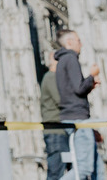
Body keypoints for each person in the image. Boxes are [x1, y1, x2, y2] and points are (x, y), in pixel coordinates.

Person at [55, 30, 107, 180]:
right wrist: (92, 75)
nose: (81, 43)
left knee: (98, 169)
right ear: (69, 42)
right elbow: (79, 88)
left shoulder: (63, 61)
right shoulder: (70, 58)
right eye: (78, 40)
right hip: (77, 118)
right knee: (83, 169)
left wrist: (90, 85)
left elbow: (73, 90)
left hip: (74, 117)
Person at [41, 52, 67, 180]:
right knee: (56, 172)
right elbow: (61, 101)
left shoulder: (54, 78)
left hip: (60, 131)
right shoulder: (51, 77)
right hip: (56, 132)